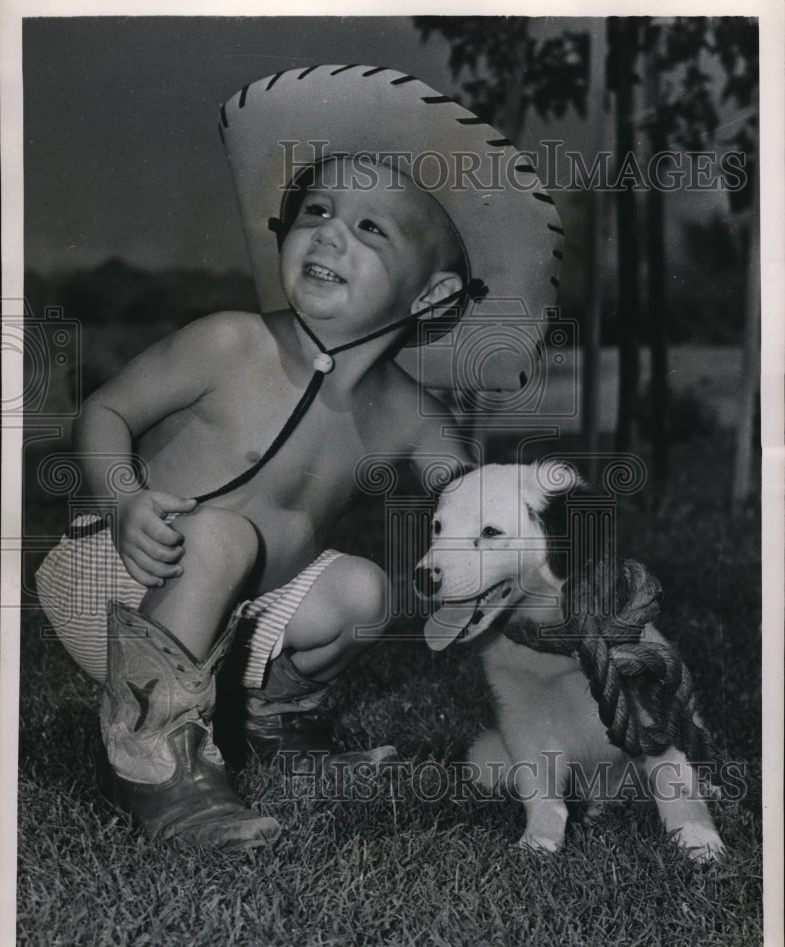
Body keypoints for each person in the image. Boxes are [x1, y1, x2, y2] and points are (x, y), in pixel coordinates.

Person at [35, 64, 562, 849]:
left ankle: (266, 722)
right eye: (317, 210)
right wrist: (123, 500)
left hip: (245, 611)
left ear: (430, 297)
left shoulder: (409, 411)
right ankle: (155, 761)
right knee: (220, 535)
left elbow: (471, 499)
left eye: (370, 229)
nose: (327, 233)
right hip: (121, 578)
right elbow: (106, 409)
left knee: (363, 591)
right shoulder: (231, 341)